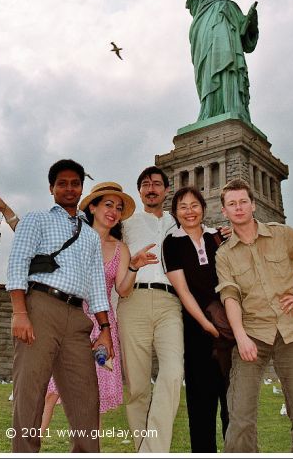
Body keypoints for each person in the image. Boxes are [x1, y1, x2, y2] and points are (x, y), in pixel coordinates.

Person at [0, 183, 157, 432]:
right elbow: (33, 238)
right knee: (48, 392)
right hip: (65, 314)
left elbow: (123, 290)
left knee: (92, 400)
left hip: (100, 326)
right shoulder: (72, 232)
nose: (114, 211)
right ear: (93, 206)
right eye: (108, 204)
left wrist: (133, 266)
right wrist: (6, 210)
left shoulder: (120, 248)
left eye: (119, 208)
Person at [215, 179, 293, 453]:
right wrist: (241, 338)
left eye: (243, 202)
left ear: (253, 205)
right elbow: (229, 297)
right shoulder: (224, 255)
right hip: (252, 336)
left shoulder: (282, 235)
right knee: (240, 418)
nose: (239, 207)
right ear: (224, 211)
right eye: (232, 204)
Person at [5, 159, 114, 453]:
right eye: (62, 183)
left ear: (82, 188)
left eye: (75, 183)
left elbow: (96, 286)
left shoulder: (90, 235)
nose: (69, 188)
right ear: (51, 188)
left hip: (77, 315)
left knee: (85, 398)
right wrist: (20, 312)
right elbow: (18, 263)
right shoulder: (36, 219)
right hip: (39, 306)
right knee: (30, 393)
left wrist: (104, 329)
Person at [117, 166, 184, 453]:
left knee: (172, 373)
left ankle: (152, 450)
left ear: (166, 189)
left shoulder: (179, 221)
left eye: (157, 183)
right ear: (140, 191)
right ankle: (143, 450)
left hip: (171, 302)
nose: (151, 188)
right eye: (145, 184)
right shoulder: (126, 222)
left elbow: (206, 236)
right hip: (133, 301)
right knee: (137, 386)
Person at [162, 186, 232, 452]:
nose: (189, 211)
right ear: (175, 212)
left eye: (194, 205)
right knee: (200, 403)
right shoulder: (172, 242)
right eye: (183, 207)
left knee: (232, 402)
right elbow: (182, 290)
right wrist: (205, 324)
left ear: (203, 208)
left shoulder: (218, 237)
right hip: (196, 329)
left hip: (229, 327)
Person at [173, 0, 258, 123]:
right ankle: (209, 112)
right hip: (206, 51)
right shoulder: (201, 5)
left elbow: (246, 36)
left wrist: (252, 20)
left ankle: (232, 108)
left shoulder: (231, 6)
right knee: (208, 79)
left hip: (229, 50)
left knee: (229, 74)